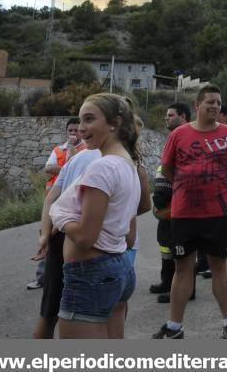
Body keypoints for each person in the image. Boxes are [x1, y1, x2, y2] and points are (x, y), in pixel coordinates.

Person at [152, 84, 227, 340]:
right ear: (197, 106)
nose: (215, 107)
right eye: (210, 103)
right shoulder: (179, 135)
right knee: (183, 269)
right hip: (184, 214)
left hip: (219, 213)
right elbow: (168, 169)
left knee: (219, 267)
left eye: (218, 103)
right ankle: (174, 327)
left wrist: (220, 184)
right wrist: (187, 185)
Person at [49, 93, 141, 338]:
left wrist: (59, 217)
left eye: (89, 119)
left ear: (115, 122)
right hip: (118, 267)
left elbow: (85, 238)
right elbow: (130, 236)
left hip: (90, 275)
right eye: (80, 121)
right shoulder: (127, 165)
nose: (81, 128)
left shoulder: (102, 167)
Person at [32, 146, 101, 338]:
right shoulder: (113, 160)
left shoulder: (76, 159)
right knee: (88, 317)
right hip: (91, 241)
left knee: (49, 310)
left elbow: (50, 200)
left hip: (60, 237)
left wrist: (46, 234)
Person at [28, 117, 84, 290]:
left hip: (72, 205)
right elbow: (48, 167)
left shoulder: (85, 151)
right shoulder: (59, 150)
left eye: (76, 130)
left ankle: (65, 278)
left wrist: (71, 161)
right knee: (47, 238)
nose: (73, 134)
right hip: (53, 202)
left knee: (66, 240)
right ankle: (42, 278)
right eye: (70, 131)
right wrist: (68, 168)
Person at [150, 102, 196, 303]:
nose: (166, 118)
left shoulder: (189, 138)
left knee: (181, 249)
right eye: (166, 115)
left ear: (183, 116)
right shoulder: (172, 137)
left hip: (179, 204)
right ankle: (167, 282)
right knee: (166, 245)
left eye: (171, 115)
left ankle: (187, 290)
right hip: (166, 205)